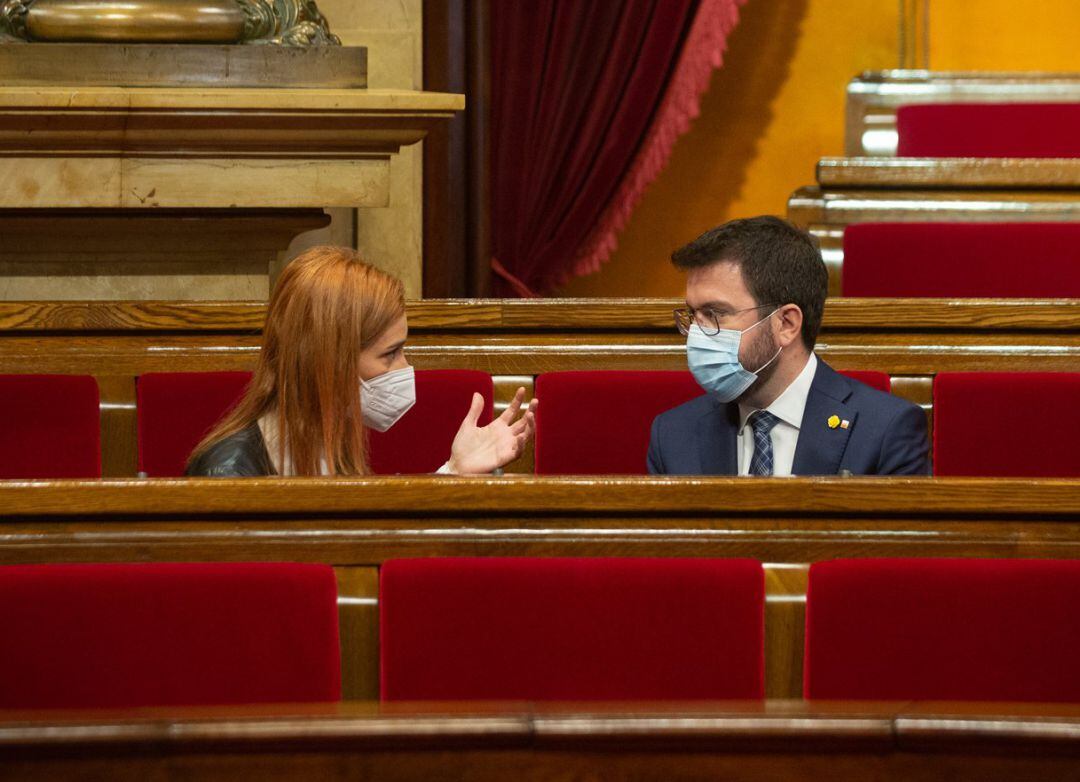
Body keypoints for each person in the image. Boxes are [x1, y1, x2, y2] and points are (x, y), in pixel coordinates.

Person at [187, 246, 537, 477]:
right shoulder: (230, 472)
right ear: (328, 362)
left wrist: (455, 470)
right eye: (389, 354)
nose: (404, 370)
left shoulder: (327, 438)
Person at [647, 216, 929, 476]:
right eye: (692, 316)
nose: (697, 333)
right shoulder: (673, 435)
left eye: (715, 314)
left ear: (786, 324)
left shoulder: (885, 430)